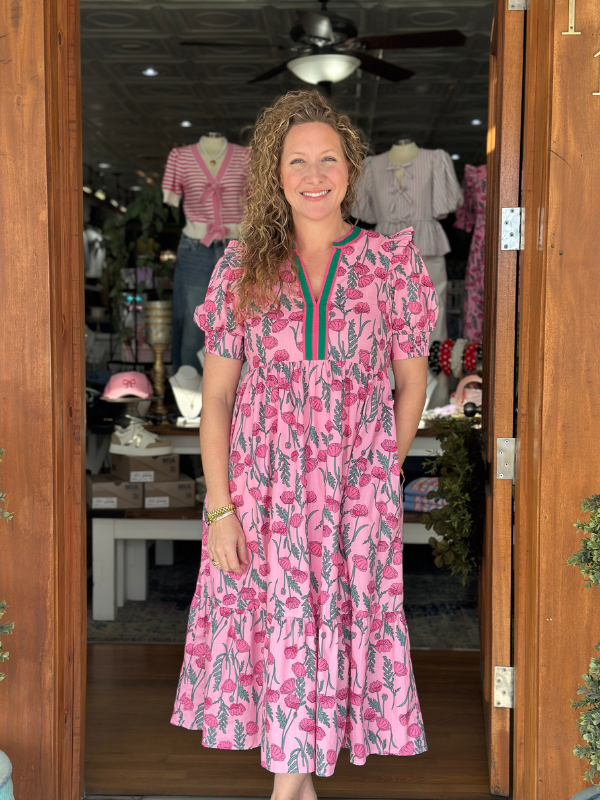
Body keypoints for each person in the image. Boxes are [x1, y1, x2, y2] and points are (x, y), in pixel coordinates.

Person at [171, 89, 439, 800]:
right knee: (279, 620)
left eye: (328, 158)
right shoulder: (240, 265)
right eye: (297, 160)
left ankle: (294, 786)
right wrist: (219, 507)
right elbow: (218, 396)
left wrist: (383, 463)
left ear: (351, 168)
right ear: (274, 172)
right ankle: (294, 785)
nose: (313, 174)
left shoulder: (391, 263)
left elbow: (412, 382)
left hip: (353, 494)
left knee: (339, 618)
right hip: (262, 491)